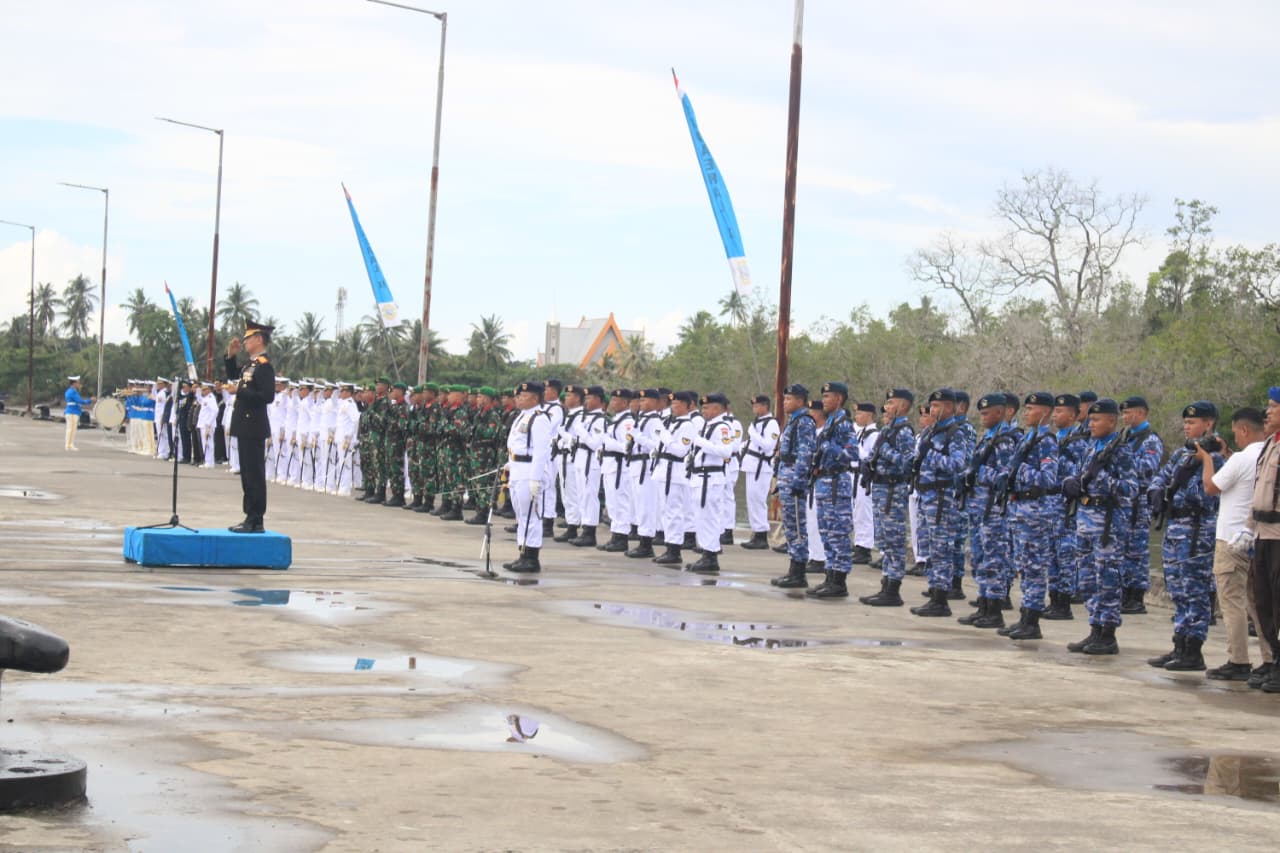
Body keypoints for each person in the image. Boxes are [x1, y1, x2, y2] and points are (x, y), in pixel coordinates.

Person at [1144, 401, 1224, 671]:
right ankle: (1179, 644)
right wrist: (1158, 492)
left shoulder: (1216, 457)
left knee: (1195, 592)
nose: (1186, 427)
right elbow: (1160, 478)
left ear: (1209, 424)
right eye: (1186, 423)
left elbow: (1204, 495)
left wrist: (1173, 487)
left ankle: (1193, 650)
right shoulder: (1182, 454)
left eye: (1193, 422)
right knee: (1177, 590)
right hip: (1175, 529)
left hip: (1196, 532)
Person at [1198, 406, 1271, 681]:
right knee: (1259, 602)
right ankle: (1269, 658)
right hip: (1257, 536)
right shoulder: (1267, 454)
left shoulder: (1240, 459)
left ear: (1243, 430)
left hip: (1231, 538)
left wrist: (1206, 458)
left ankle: (1238, 659)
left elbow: (1211, 487)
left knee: (1232, 601)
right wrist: (1226, 454)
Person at [1063, 398, 1138, 655]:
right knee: (1087, 580)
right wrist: (1071, 483)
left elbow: (1130, 488)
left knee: (1107, 579)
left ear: (1112, 421)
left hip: (1107, 524)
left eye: (1096, 420)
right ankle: (1094, 628)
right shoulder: (1092, 446)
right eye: (1090, 419)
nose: (1091, 424)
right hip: (1085, 520)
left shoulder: (1121, 450)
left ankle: (1107, 633)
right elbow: (1081, 476)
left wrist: (1102, 476)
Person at [999, 392, 1060, 640]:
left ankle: (1032, 621)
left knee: (1034, 567)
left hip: (1035, 512)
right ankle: (1024, 616)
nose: (1026, 413)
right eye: (1025, 408)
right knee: (1024, 566)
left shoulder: (1046, 441)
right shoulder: (1029, 438)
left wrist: (1019, 469)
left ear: (1045, 412)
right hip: (1020, 510)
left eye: (1032, 409)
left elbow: (1048, 478)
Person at [911, 389, 972, 617]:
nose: (933, 410)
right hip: (926, 496)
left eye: (938, 406)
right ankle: (934, 591)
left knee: (941, 549)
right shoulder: (931, 432)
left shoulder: (955, 433)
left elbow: (959, 464)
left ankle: (941, 599)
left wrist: (931, 456)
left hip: (941, 499)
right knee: (929, 548)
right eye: (932, 406)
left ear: (950, 408)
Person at [859, 389, 915, 607]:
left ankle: (893, 589)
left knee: (894, 540)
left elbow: (908, 463)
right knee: (883, 539)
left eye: (891, 403)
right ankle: (885, 584)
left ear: (902, 406)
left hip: (893, 490)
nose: (886, 407)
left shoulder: (903, 432)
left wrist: (885, 452)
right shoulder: (888, 429)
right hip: (880, 488)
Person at [1243, 389, 1280, 692]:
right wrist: (1248, 529)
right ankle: (1275, 661)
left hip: (1279, 535)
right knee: (1262, 601)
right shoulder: (1270, 444)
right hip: (1262, 534)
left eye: (1274, 407)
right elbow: (1259, 493)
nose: (1267, 412)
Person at [806, 383, 859, 599]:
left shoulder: (844, 424)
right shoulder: (831, 423)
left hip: (837, 483)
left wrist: (829, 448)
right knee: (827, 532)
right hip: (824, 481)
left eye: (828, 396)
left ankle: (839, 581)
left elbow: (853, 454)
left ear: (839, 399)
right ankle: (829, 576)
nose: (824, 400)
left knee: (838, 533)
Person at [224, 321, 277, 533]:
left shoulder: (264, 366)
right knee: (246, 474)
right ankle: (249, 516)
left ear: (258, 339)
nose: (245, 342)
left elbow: (267, 396)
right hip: (244, 425)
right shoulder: (250, 365)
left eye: (248, 338)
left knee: (254, 474)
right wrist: (230, 355)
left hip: (254, 426)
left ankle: (256, 519)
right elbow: (234, 374)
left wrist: (239, 391)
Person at [1120, 395, 1165, 614]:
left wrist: (1121, 462)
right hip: (1123, 503)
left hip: (1139, 502)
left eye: (1128, 413)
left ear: (1140, 413)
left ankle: (1136, 597)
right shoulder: (1125, 437)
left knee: (1137, 551)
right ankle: (1125, 593)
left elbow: (1147, 467)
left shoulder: (1150, 440)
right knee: (1123, 549)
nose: (1124, 417)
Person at [503, 381, 553, 573]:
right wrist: (510, 463)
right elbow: (517, 444)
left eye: (523, 396)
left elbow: (541, 451)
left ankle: (532, 558)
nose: (518, 399)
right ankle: (522, 553)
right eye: (518, 396)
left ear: (535, 398)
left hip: (529, 471)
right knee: (521, 515)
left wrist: (536, 478)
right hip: (518, 469)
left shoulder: (539, 419)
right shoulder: (522, 417)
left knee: (531, 515)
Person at [770, 384, 816, 588]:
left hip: (795, 479)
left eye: (789, 399)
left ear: (800, 401)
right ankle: (793, 569)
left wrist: (798, 481)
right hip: (786, 476)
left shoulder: (804, 422)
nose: (785, 402)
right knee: (790, 525)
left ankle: (799, 572)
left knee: (797, 526)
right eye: (785, 399)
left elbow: (805, 454)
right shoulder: (793, 421)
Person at [686, 393, 736, 573]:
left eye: (706, 408)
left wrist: (700, 442)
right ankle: (706, 553)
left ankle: (711, 555)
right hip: (700, 476)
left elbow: (725, 451)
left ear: (717, 408)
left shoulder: (723, 427)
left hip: (711, 477)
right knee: (701, 517)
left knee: (709, 517)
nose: (703, 411)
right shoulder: (708, 426)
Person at [598, 388, 637, 552]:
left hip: (619, 466)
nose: (613, 403)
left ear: (626, 403)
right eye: (612, 400)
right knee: (612, 502)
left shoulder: (627, 422)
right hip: (610, 465)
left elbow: (627, 447)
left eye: (617, 400)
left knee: (621, 502)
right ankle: (615, 535)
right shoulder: (616, 420)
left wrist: (607, 441)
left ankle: (621, 537)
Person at [740, 395, 779, 550]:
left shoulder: (771, 424)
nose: (754, 409)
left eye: (757, 406)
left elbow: (768, 446)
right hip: (752, 466)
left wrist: (753, 433)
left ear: (765, 406)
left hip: (761, 468)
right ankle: (756, 532)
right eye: (753, 406)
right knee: (752, 501)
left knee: (758, 501)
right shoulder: (757, 423)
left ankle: (761, 535)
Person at [851, 402, 880, 564]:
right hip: (854, 475)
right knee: (857, 511)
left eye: (860, 414)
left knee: (864, 512)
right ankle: (858, 544)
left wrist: (853, 447)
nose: (857, 417)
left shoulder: (874, 435)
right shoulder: (860, 433)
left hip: (865, 476)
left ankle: (865, 548)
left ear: (869, 415)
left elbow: (869, 456)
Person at [62, 376, 93, 451]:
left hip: (72, 412)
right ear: (74, 383)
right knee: (71, 429)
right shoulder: (72, 392)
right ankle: (69, 445)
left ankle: (69, 444)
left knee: (71, 429)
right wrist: (90, 400)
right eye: (78, 383)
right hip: (72, 412)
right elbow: (80, 401)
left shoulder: (70, 391)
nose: (79, 384)